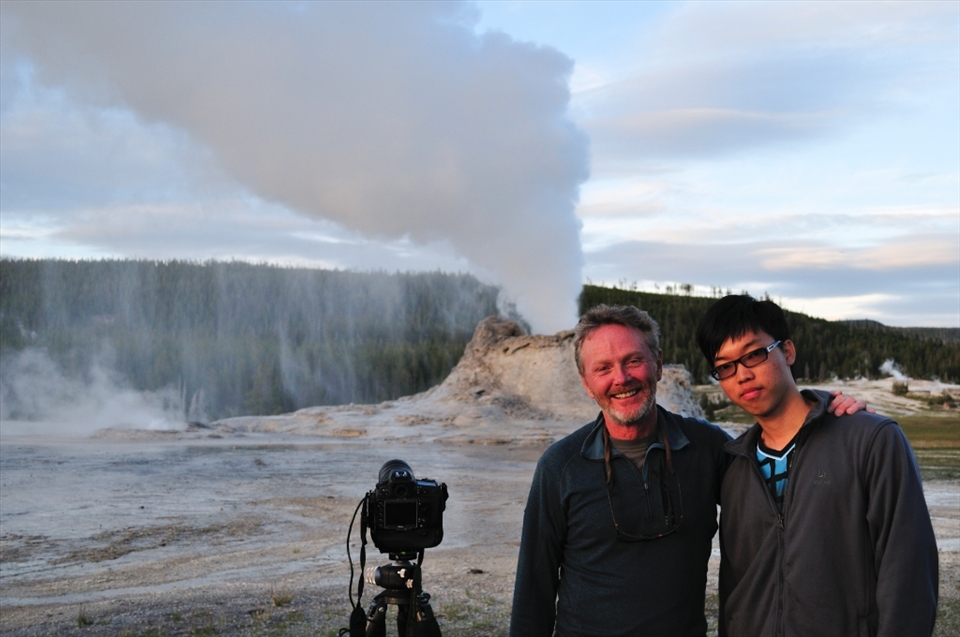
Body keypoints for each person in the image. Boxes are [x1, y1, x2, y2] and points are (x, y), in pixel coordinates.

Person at [509, 304, 864, 637]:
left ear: (658, 364)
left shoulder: (707, 448)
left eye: (634, 361)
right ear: (587, 383)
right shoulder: (560, 466)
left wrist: (827, 409)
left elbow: (783, 474)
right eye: (603, 368)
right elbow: (533, 590)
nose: (621, 378)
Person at [696, 294, 938, 637]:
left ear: (788, 351)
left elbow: (908, 576)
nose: (742, 375)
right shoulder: (734, 467)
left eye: (754, 354)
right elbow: (736, 587)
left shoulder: (870, 439)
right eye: (725, 366)